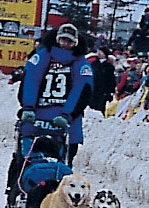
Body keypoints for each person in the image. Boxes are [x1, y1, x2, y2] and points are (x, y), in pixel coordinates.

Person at [18, 23, 93, 166]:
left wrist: (68, 114)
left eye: (70, 41)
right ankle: (16, 185)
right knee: (24, 157)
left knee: (64, 160)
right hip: (37, 113)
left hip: (66, 118)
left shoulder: (81, 64)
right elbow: (30, 81)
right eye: (63, 40)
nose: (65, 44)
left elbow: (81, 89)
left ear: (75, 43)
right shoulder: (42, 56)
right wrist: (28, 106)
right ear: (57, 39)